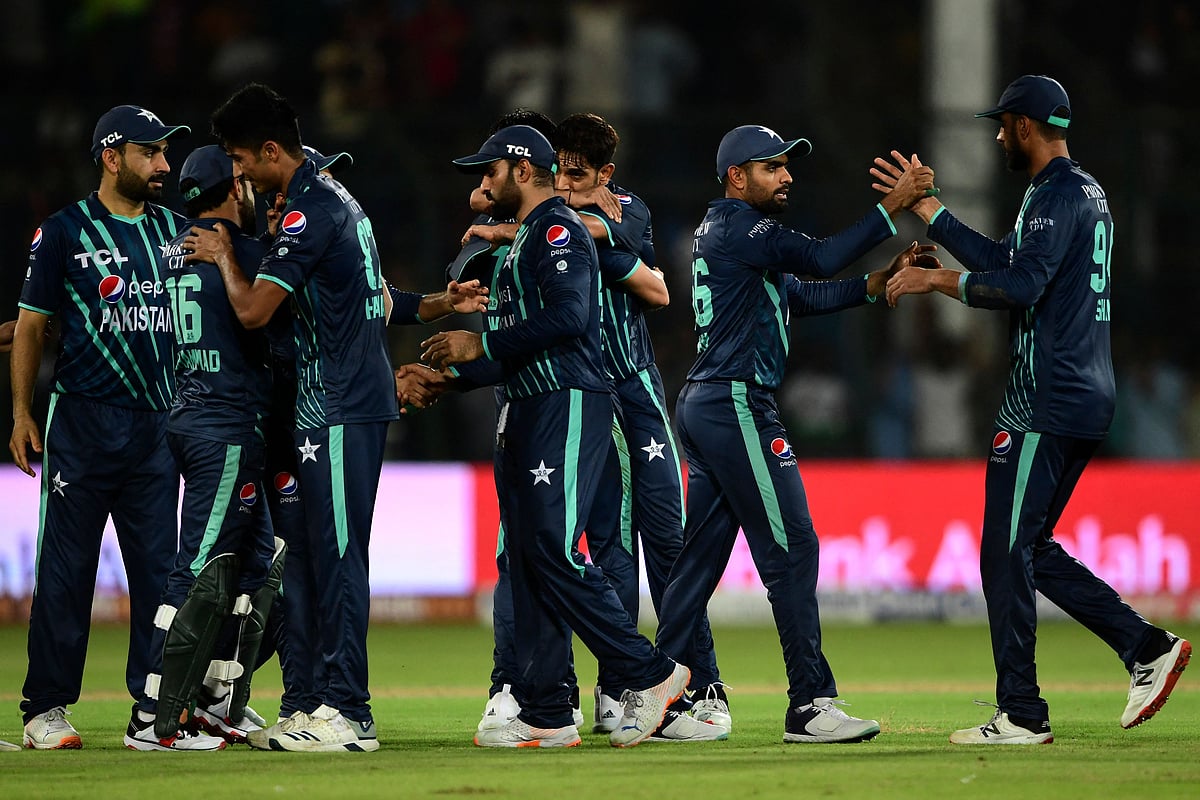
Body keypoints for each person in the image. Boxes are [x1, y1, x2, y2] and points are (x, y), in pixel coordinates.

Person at [878, 74, 1191, 744]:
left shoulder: (1053, 195)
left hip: (1044, 400)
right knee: (1028, 548)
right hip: (1082, 393)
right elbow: (1010, 261)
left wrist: (936, 279)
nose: (996, 136)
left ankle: (1021, 710)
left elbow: (1019, 285)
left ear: (1025, 125)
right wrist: (932, 210)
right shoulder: (1082, 191)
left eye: (1002, 126)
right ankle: (1144, 648)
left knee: (1004, 552)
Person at [184, 83, 486, 752]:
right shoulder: (332, 204)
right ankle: (314, 703)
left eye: (242, 159)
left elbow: (256, 312)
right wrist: (439, 302)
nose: (241, 175)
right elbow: (371, 297)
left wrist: (225, 257)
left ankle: (349, 712)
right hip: (330, 405)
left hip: (344, 405)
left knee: (340, 557)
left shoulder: (309, 213)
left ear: (270, 151)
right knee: (317, 560)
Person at [653, 123, 936, 744]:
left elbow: (799, 294)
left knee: (699, 561)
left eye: (787, 166)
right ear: (736, 177)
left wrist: (875, 283)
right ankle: (810, 704)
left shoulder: (731, 236)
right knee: (793, 548)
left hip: (708, 402)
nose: (786, 177)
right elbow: (820, 257)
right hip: (735, 404)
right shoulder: (738, 226)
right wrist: (894, 205)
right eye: (771, 167)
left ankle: (650, 692)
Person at [421, 124, 690, 748]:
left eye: (488, 172)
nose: (480, 186)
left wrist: (479, 343)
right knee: (528, 557)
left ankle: (649, 675)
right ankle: (545, 710)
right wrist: (451, 377)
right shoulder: (527, 242)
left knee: (555, 550)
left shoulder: (557, 231)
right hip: (529, 404)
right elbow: (517, 341)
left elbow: (570, 318)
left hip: (567, 402)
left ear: (520, 169)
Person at [12, 105, 190, 749]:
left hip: (157, 426)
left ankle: (151, 711)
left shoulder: (180, 230)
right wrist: (23, 412)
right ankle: (45, 711)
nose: (165, 165)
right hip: (82, 421)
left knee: (158, 576)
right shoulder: (61, 232)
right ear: (112, 157)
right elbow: (32, 324)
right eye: (152, 152)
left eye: (166, 153)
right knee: (66, 570)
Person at [551, 111, 727, 741]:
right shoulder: (550, 220)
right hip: (584, 394)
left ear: (606, 175)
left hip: (638, 390)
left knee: (668, 545)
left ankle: (704, 690)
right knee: (609, 545)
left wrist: (560, 218)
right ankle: (620, 688)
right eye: (558, 172)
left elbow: (615, 236)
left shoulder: (631, 209)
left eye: (578, 174)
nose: (565, 185)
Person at [125, 145, 281, 751]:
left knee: (256, 568)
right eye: (244, 180)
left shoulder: (174, 251)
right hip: (224, 427)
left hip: (194, 415)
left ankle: (216, 700)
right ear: (233, 186)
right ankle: (153, 715)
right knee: (199, 571)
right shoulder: (239, 254)